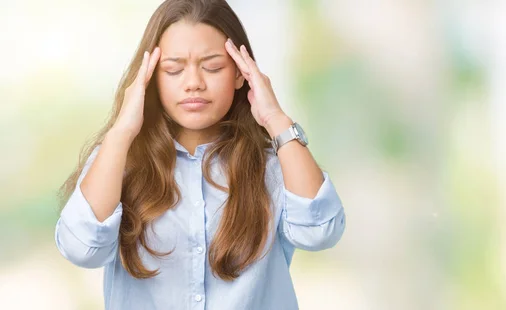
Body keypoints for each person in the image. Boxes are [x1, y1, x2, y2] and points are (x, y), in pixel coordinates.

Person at [54, 0, 346, 309]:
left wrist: (276, 119)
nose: (193, 83)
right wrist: (122, 132)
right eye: (174, 69)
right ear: (151, 77)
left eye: (212, 67)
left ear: (239, 74)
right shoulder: (119, 162)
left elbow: (321, 232)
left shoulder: (273, 166)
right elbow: (81, 248)